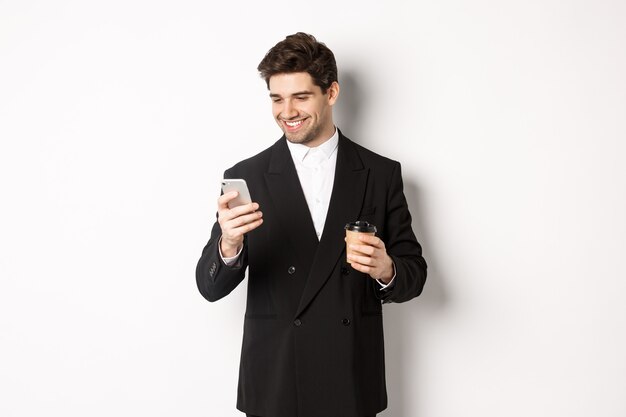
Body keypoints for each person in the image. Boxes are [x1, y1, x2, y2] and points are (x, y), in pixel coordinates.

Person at [196, 32, 427, 417]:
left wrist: (386, 269)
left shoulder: (381, 173)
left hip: (350, 377)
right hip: (276, 380)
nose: (287, 111)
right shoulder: (246, 175)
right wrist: (230, 245)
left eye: (300, 97)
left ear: (331, 93)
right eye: (276, 98)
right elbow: (209, 287)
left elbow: (414, 276)